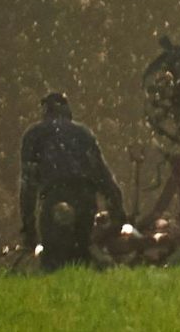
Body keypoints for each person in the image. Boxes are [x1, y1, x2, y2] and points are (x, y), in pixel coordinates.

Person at [19, 91, 125, 271]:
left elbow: (28, 183)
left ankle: (56, 292)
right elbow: (102, 173)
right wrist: (117, 208)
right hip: (85, 197)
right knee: (82, 253)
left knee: (54, 258)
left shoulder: (34, 134)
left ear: (45, 111)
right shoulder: (83, 133)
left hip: (55, 196)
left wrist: (28, 227)